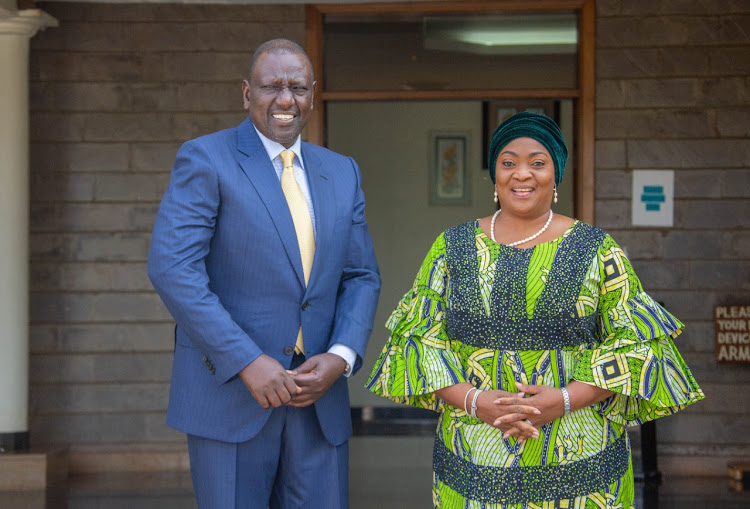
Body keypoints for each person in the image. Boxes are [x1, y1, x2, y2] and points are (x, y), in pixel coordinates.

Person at [365, 111, 703, 508]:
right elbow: (418, 346)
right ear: (495, 173)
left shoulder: (597, 249)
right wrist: (477, 402)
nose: (522, 174)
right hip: (473, 454)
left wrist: (559, 401)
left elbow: (637, 348)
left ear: (555, 174)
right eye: (508, 162)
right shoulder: (451, 247)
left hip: (580, 456)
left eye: (537, 163)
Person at [148, 38, 380, 509]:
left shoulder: (342, 172)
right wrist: (247, 361)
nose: (285, 100)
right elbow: (173, 267)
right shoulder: (206, 159)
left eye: (296, 87)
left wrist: (340, 355)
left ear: (313, 94)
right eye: (271, 86)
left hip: (319, 401)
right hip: (232, 396)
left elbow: (360, 275)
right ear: (246, 93)